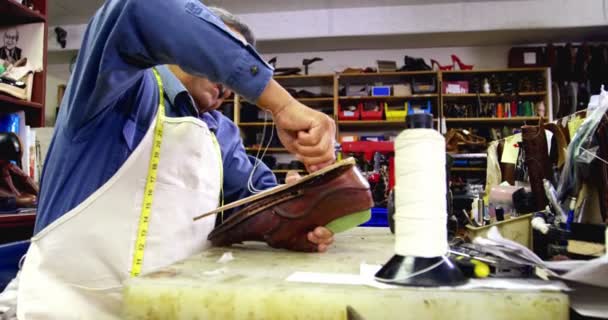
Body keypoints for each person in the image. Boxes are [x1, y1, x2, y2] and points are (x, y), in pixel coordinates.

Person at [15, 1, 336, 319]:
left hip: (167, 307)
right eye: (219, 54)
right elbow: (139, 9)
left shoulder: (219, 132)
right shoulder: (118, 89)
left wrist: (296, 212)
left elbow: (252, 202)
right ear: (184, 45)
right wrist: (280, 104)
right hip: (70, 309)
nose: (228, 79)